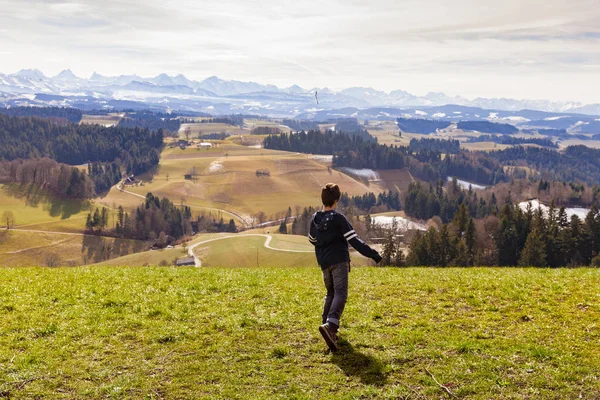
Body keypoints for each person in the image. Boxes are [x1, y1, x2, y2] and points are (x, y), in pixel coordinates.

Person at [308, 183, 382, 351]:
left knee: (331, 293)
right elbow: (354, 240)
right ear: (336, 200)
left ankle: (325, 324)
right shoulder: (338, 219)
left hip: (324, 262)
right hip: (339, 260)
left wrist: (324, 244)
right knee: (341, 293)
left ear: (323, 199)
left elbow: (312, 239)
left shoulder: (315, 218)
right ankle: (331, 326)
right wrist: (373, 254)